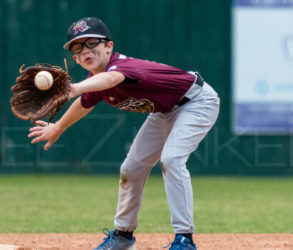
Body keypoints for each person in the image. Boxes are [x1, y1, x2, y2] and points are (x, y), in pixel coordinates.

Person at [28, 17, 219, 250]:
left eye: (92, 43)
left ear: (109, 46)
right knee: (131, 168)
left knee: (172, 159)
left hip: (197, 101)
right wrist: (58, 127)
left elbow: (111, 79)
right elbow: (85, 103)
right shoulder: (95, 81)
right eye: (77, 48)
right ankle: (123, 237)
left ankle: (184, 240)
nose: (85, 50)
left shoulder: (121, 68)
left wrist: (72, 89)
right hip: (165, 110)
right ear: (75, 59)